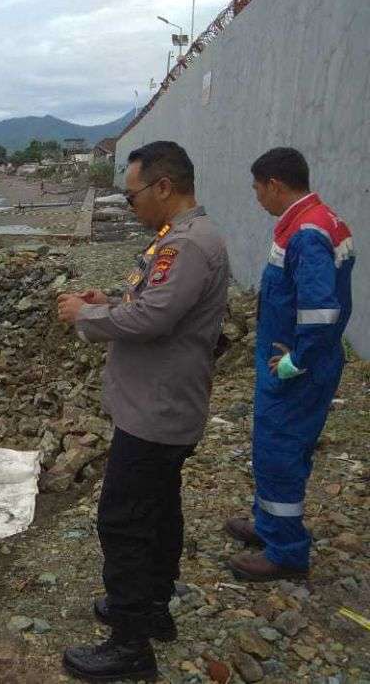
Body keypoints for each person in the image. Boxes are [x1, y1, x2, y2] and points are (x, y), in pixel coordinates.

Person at [57, 141, 229, 682]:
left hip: (157, 412)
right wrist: (106, 299)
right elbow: (150, 301)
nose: (129, 206)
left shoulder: (188, 246)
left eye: (131, 197)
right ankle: (151, 609)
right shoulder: (177, 241)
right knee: (157, 511)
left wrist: (87, 315)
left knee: (123, 520)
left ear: (163, 187)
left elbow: (153, 318)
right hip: (159, 407)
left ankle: (130, 646)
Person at [224, 147, 355, 581]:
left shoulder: (307, 233)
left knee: (280, 452)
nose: (258, 198)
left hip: (296, 369)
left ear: (275, 184)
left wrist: (294, 362)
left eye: (258, 189)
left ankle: (286, 552)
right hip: (294, 362)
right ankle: (269, 526)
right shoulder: (316, 220)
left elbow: (321, 311)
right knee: (272, 449)